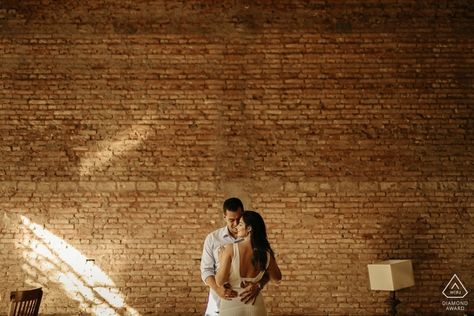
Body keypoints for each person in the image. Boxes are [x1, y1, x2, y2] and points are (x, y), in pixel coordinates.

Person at [201, 198, 267, 316]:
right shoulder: (212, 239)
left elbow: (267, 270)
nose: (236, 224)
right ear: (224, 217)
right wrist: (218, 289)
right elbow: (206, 271)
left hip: (248, 306)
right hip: (217, 305)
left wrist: (259, 285)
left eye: (239, 219)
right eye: (231, 220)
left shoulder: (255, 240)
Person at [215, 210, 282, 316]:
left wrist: (221, 257)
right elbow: (277, 277)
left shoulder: (230, 249)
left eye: (241, 224)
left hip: (231, 306)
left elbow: (219, 281)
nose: (237, 227)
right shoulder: (266, 253)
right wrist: (259, 284)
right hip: (255, 306)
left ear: (249, 228)